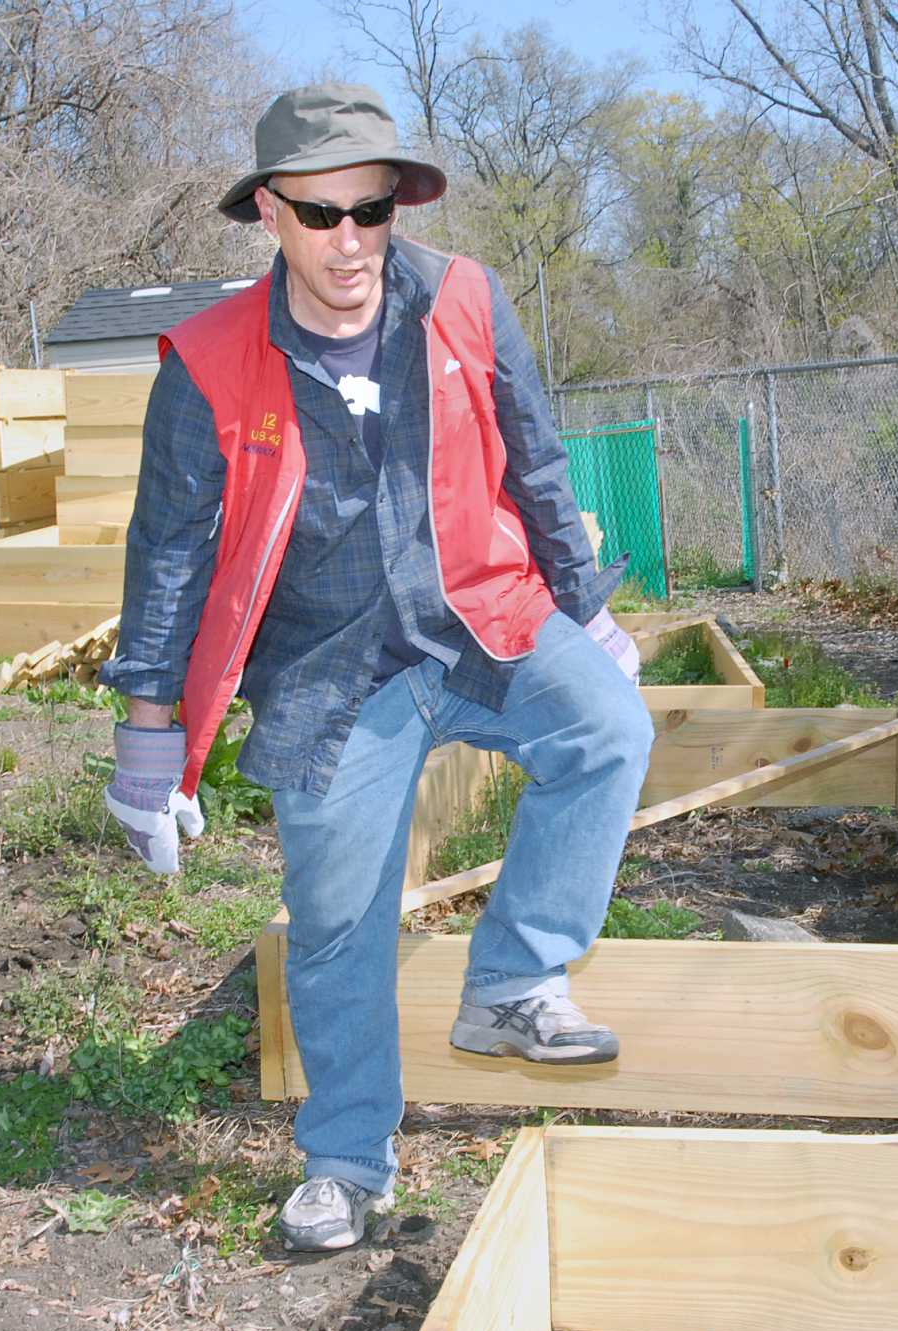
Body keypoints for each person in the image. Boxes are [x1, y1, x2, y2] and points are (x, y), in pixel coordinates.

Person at [97, 84, 653, 1252]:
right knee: (336, 917)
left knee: (607, 728)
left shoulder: (462, 301)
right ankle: (347, 1159)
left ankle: (513, 983)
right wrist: (148, 737)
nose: (349, 240)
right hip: (325, 668)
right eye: (318, 215)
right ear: (267, 214)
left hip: (476, 620)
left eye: (371, 209)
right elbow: (168, 556)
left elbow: (538, 463)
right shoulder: (206, 361)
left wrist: (586, 615)